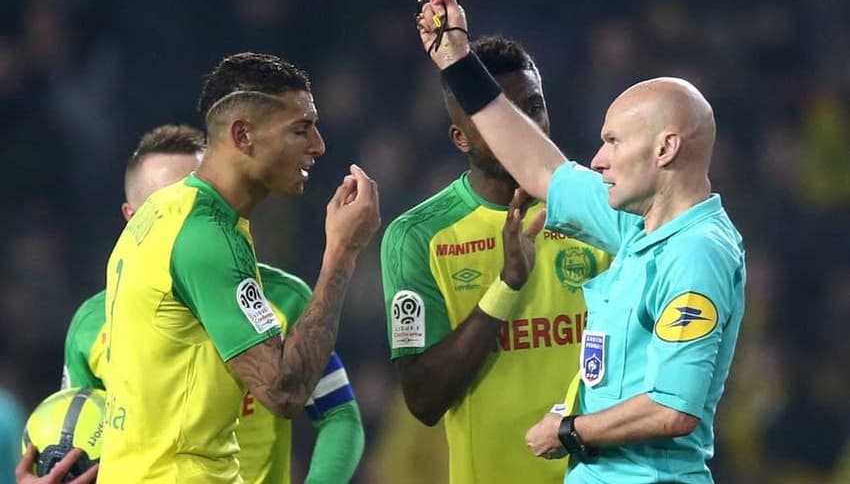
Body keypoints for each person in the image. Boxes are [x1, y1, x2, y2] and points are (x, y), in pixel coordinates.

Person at [415, 0, 746, 484]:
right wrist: (456, 60)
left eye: (613, 141)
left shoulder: (696, 252)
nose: (598, 159)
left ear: (665, 149)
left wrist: (569, 430)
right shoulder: (638, 225)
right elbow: (540, 167)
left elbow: (673, 409)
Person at [98, 53, 380, 483]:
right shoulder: (206, 235)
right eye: (300, 129)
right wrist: (342, 251)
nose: (318, 144)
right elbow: (283, 392)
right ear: (243, 135)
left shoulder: (163, 213)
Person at [55, 124, 364, 483]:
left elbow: (338, 415)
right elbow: (70, 434)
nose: (188, 217)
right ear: (132, 218)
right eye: (167, 204)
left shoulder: (284, 300)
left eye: (202, 201)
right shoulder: (91, 324)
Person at [381, 35, 611, 483]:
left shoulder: (602, 212)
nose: (523, 125)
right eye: (500, 112)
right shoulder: (418, 236)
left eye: (533, 106)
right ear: (460, 136)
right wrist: (506, 288)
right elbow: (424, 399)